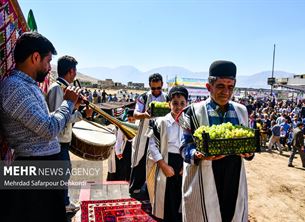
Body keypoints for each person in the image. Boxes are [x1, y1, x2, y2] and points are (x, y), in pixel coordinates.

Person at [0, 32, 80, 222]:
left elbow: (45, 121)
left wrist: (71, 107)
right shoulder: (14, 87)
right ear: (35, 57)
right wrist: (68, 103)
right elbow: (48, 128)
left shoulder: (27, 86)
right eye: (48, 61)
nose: (49, 67)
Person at [177, 60, 254, 222]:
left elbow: (248, 143)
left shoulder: (242, 111)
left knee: (231, 214)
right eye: (220, 86)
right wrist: (197, 155)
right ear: (209, 87)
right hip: (203, 175)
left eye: (230, 87)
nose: (226, 91)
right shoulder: (192, 112)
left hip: (234, 176)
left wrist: (249, 153)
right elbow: (184, 147)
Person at [46, 55, 93, 213]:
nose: (76, 73)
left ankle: (63, 202)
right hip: (57, 141)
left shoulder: (63, 88)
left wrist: (78, 105)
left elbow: (66, 113)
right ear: (71, 71)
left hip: (63, 140)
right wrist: (82, 115)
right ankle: (62, 205)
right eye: (75, 70)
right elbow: (58, 117)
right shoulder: (57, 88)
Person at [146, 86, 188, 222]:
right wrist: (163, 164)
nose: (178, 107)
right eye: (175, 103)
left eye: (182, 103)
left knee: (181, 195)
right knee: (167, 196)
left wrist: (185, 165)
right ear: (169, 103)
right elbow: (152, 145)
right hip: (166, 161)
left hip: (183, 162)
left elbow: (192, 145)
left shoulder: (189, 123)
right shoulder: (161, 122)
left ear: (187, 104)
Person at [129, 73, 168, 199]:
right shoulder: (144, 97)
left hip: (160, 134)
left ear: (162, 85)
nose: (156, 91)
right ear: (149, 86)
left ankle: (151, 188)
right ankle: (135, 187)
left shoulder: (167, 98)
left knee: (156, 159)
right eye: (153, 88)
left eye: (158, 88)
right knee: (140, 158)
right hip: (144, 133)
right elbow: (135, 114)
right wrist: (145, 115)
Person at [107, 109, 135, 181]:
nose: (130, 119)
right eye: (129, 117)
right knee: (125, 166)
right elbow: (119, 140)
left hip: (135, 147)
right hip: (126, 147)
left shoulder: (138, 125)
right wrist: (118, 151)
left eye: (132, 117)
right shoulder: (123, 125)